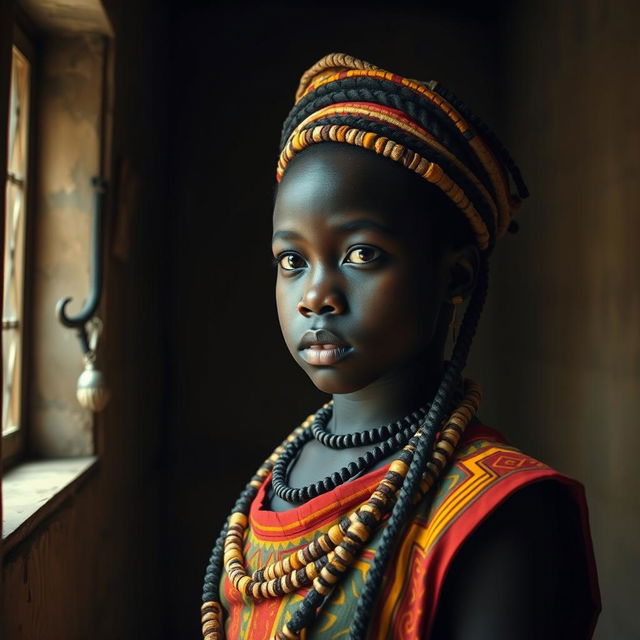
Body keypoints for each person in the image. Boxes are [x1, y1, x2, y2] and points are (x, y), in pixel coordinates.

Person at [200, 53, 601, 640]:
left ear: (456, 278)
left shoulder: (502, 514)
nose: (316, 295)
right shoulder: (282, 474)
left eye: (361, 254)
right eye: (292, 260)